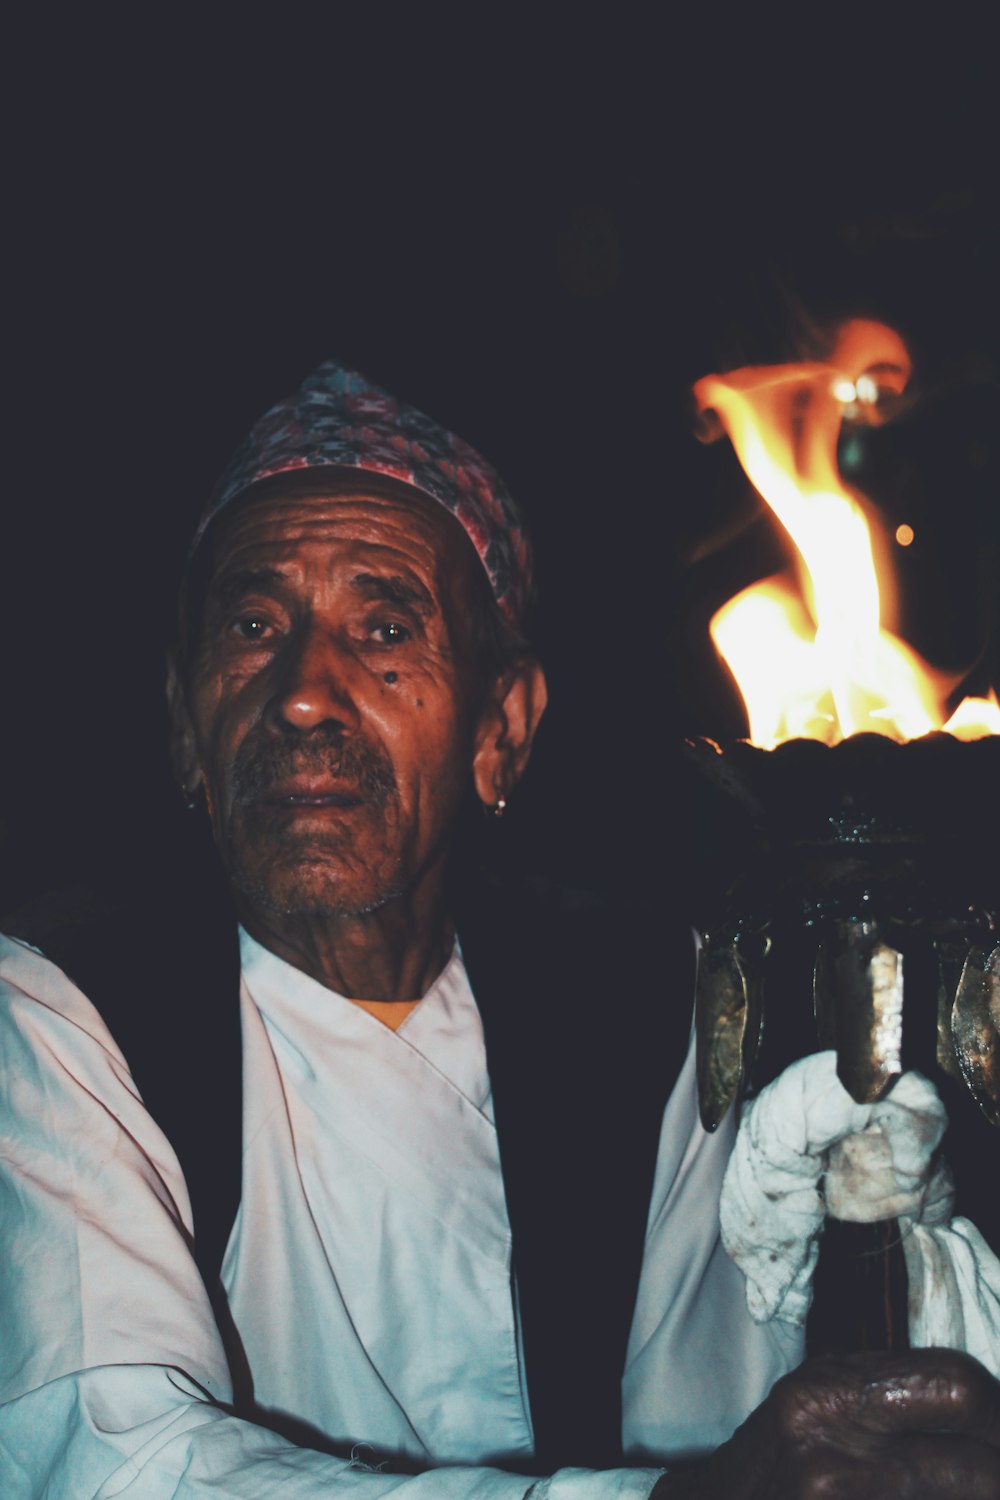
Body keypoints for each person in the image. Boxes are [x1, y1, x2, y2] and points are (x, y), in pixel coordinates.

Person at [1, 361, 997, 1499]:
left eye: (384, 626)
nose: (304, 693)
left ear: (501, 729)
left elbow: (699, 1419)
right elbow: (111, 1463)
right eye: (252, 623)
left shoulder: (636, 1004)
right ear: (186, 727)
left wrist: (846, 1274)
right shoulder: (66, 1013)